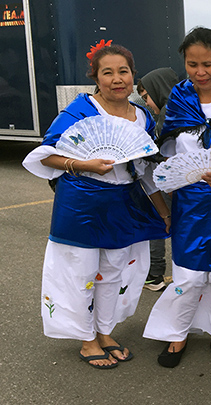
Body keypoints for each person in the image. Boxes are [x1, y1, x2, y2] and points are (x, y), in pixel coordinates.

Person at [22, 42, 171, 369]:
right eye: (108, 73)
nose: (117, 79)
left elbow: (144, 170)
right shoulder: (80, 111)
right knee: (80, 273)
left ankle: (104, 331)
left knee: (113, 273)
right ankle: (86, 339)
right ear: (96, 77)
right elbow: (45, 155)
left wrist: (163, 210)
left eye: (124, 71)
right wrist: (86, 165)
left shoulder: (142, 117)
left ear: (133, 75)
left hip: (123, 204)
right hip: (82, 203)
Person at [142, 27, 211, 368]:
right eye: (192, 64)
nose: (200, 72)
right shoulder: (180, 100)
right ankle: (178, 335)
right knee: (188, 275)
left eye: (207, 64)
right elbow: (170, 152)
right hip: (191, 203)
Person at [136, 67, 180, 291]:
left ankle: (154, 274)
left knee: (160, 223)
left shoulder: (167, 115)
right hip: (178, 181)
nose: (146, 104)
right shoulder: (187, 108)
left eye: (146, 97)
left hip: (172, 182)